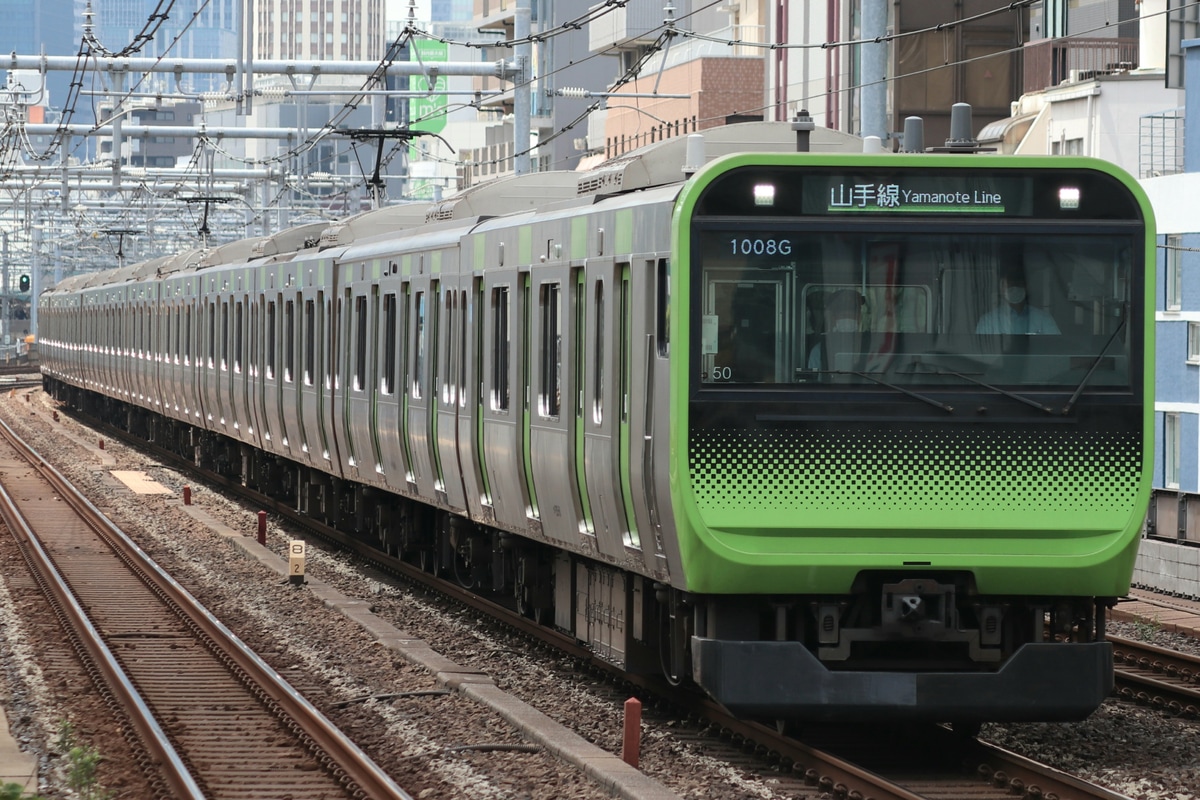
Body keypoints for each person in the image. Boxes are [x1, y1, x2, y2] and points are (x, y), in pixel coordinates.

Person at [975, 269, 1060, 335]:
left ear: (1026, 287)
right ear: (1002, 288)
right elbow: (981, 352)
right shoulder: (987, 321)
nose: (1015, 288)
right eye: (1010, 284)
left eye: (1018, 283)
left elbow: (1055, 347)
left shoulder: (1044, 319)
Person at [808, 289, 865, 370]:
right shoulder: (819, 351)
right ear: (834, 318)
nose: (847, 317)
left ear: (859, 317)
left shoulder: (871, 348)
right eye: (842, 313)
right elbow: (814, 380)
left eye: (852, 312)